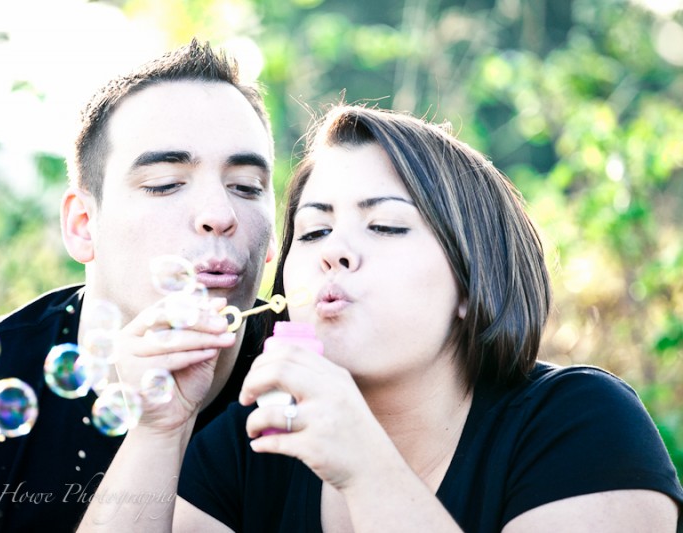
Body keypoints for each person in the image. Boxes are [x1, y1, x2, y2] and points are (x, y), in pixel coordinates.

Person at [80, 104, 683, 531]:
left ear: (474, 280)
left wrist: (366, 469)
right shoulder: (249, 449)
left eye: (386, 225)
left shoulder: (580, 425)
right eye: (313, 230)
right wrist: (160, 430)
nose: (331, 251)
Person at [0, 38, 277, 531]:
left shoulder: (322, 386)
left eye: (247, 187)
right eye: (164, 183)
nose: (220, 215)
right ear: (83, 225)